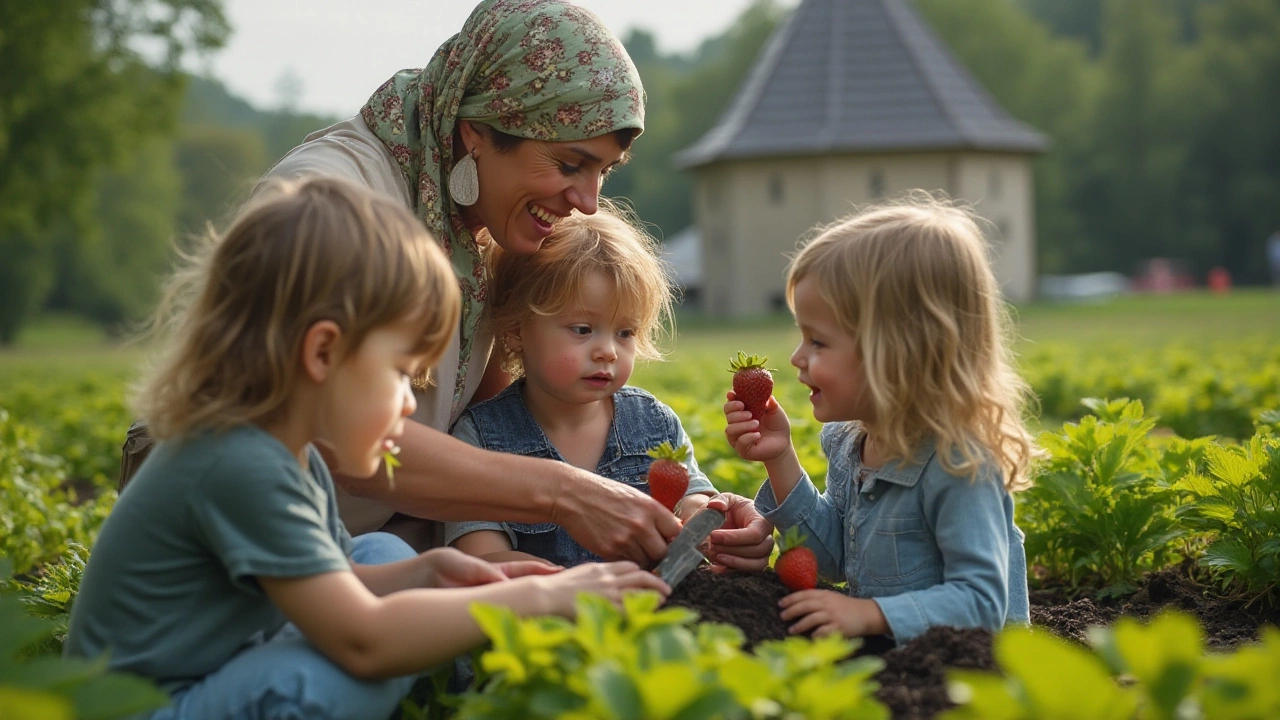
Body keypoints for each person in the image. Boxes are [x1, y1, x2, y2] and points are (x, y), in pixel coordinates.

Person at [173, 0, 774, 568]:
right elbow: (331, 433)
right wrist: (564, 493)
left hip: (364, 544)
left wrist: (699, 513)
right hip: (245, 553)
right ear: (476, 134)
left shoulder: (480, 216)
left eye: (603, 171)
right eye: (569, 164)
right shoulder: (329, 204)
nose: (590, 203)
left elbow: (498, 421)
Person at [66, 177, 670, 719]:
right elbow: (363, 638)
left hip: (217, 663)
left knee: (382, 553)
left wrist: (429, 572)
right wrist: (540, 596)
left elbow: (337, 578)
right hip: (149, 705)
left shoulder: (283, 450)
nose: (411, 404)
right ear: (323, 354)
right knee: (337, 678)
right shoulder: (239, 463)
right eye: (402, 374)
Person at [723, 194, 1038, 645]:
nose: (796, 358)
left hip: (975, 686)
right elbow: (833, 557)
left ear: (896, 352)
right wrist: (780, 457)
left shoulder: (959, 464)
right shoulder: (851, 443)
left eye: (818, 342)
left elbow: (982, 603)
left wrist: (870, 614)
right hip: (900, 670)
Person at [445, 205, 719, 567]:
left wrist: (703, 519)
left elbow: (693, 500)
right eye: (583, 330)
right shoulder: (481, 438)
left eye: (625, 333)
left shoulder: (654, 424)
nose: (607, 351)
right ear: (515, 331)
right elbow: (483, 561)